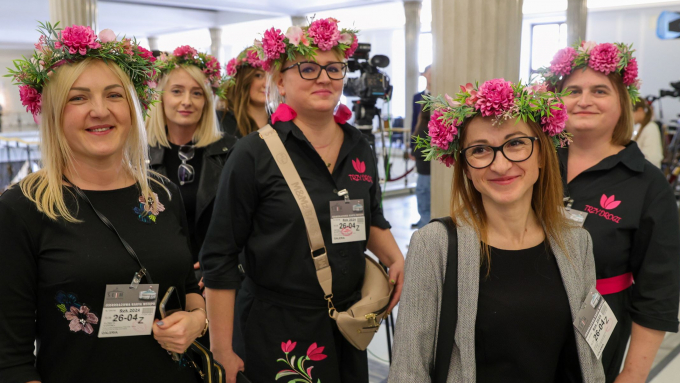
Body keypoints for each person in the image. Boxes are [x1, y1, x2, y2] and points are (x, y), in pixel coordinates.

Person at [200, 19, 405, 383]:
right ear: (279, 80)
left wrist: (395, 258)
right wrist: (221, 349)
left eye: (334, 68)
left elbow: (370, 216)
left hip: (348, 323)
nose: (323, 78)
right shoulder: (253, 153)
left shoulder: (359, 145)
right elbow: (220, 254)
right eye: (308, 69)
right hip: (277, 327)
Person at [0, 24, 207, 382]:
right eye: (78, 98)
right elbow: (10, 357)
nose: (100, 110)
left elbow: (189, 288)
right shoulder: (23, 208)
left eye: (114, 95)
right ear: (53, 113)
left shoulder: (162, 194)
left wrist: (196, 321)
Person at [389, 81, 605, 382]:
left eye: (516, 143)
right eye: (480, 150)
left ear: (541, 154)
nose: (501, 165)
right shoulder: (434, 245)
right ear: (465, 167)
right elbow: (409, 369)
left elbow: (588, 351)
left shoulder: (576, 241)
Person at [540, 41, 680, 383]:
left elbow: (658, 291)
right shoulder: (531, 161)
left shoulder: (647, 184)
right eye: (573, 90)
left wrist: (633, 374)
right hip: (517, 321)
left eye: (599, 90)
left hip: (594, 329)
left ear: (623, 102)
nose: (584, 100)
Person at [146, 45, 237, 271]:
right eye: (177, 91)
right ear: (161, 97)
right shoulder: (137, 154)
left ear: (206, 101)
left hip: (217, 273)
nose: (187, 101)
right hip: (157, 274)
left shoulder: (232, 151)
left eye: (196, 93)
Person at [217, 47, 269, 138]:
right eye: (259, 75)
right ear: (243, 78)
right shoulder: (221, 120)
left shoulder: (281, 121)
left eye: (271, 77)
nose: (267, 84)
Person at [411, 107, 431, 229]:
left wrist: (414, 153)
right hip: (424, 170)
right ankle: (422, 222)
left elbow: (420, 151)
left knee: (424, 200)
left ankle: (424, 226)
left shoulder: (424, 129)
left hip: (425, 171)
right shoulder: (425, 128)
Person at [632, 99, 663, 168]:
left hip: (647, 174)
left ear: (640, 110)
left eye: (630, 113)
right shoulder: (639, 127)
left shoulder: (651, 128)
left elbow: (652, 158)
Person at [411, 64, 431, 135]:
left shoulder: (438, 97)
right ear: (424, 74)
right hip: (420, 135)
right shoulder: (417, 97)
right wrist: (412, 141)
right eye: (430, 74)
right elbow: (414, 119)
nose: (431, 77)